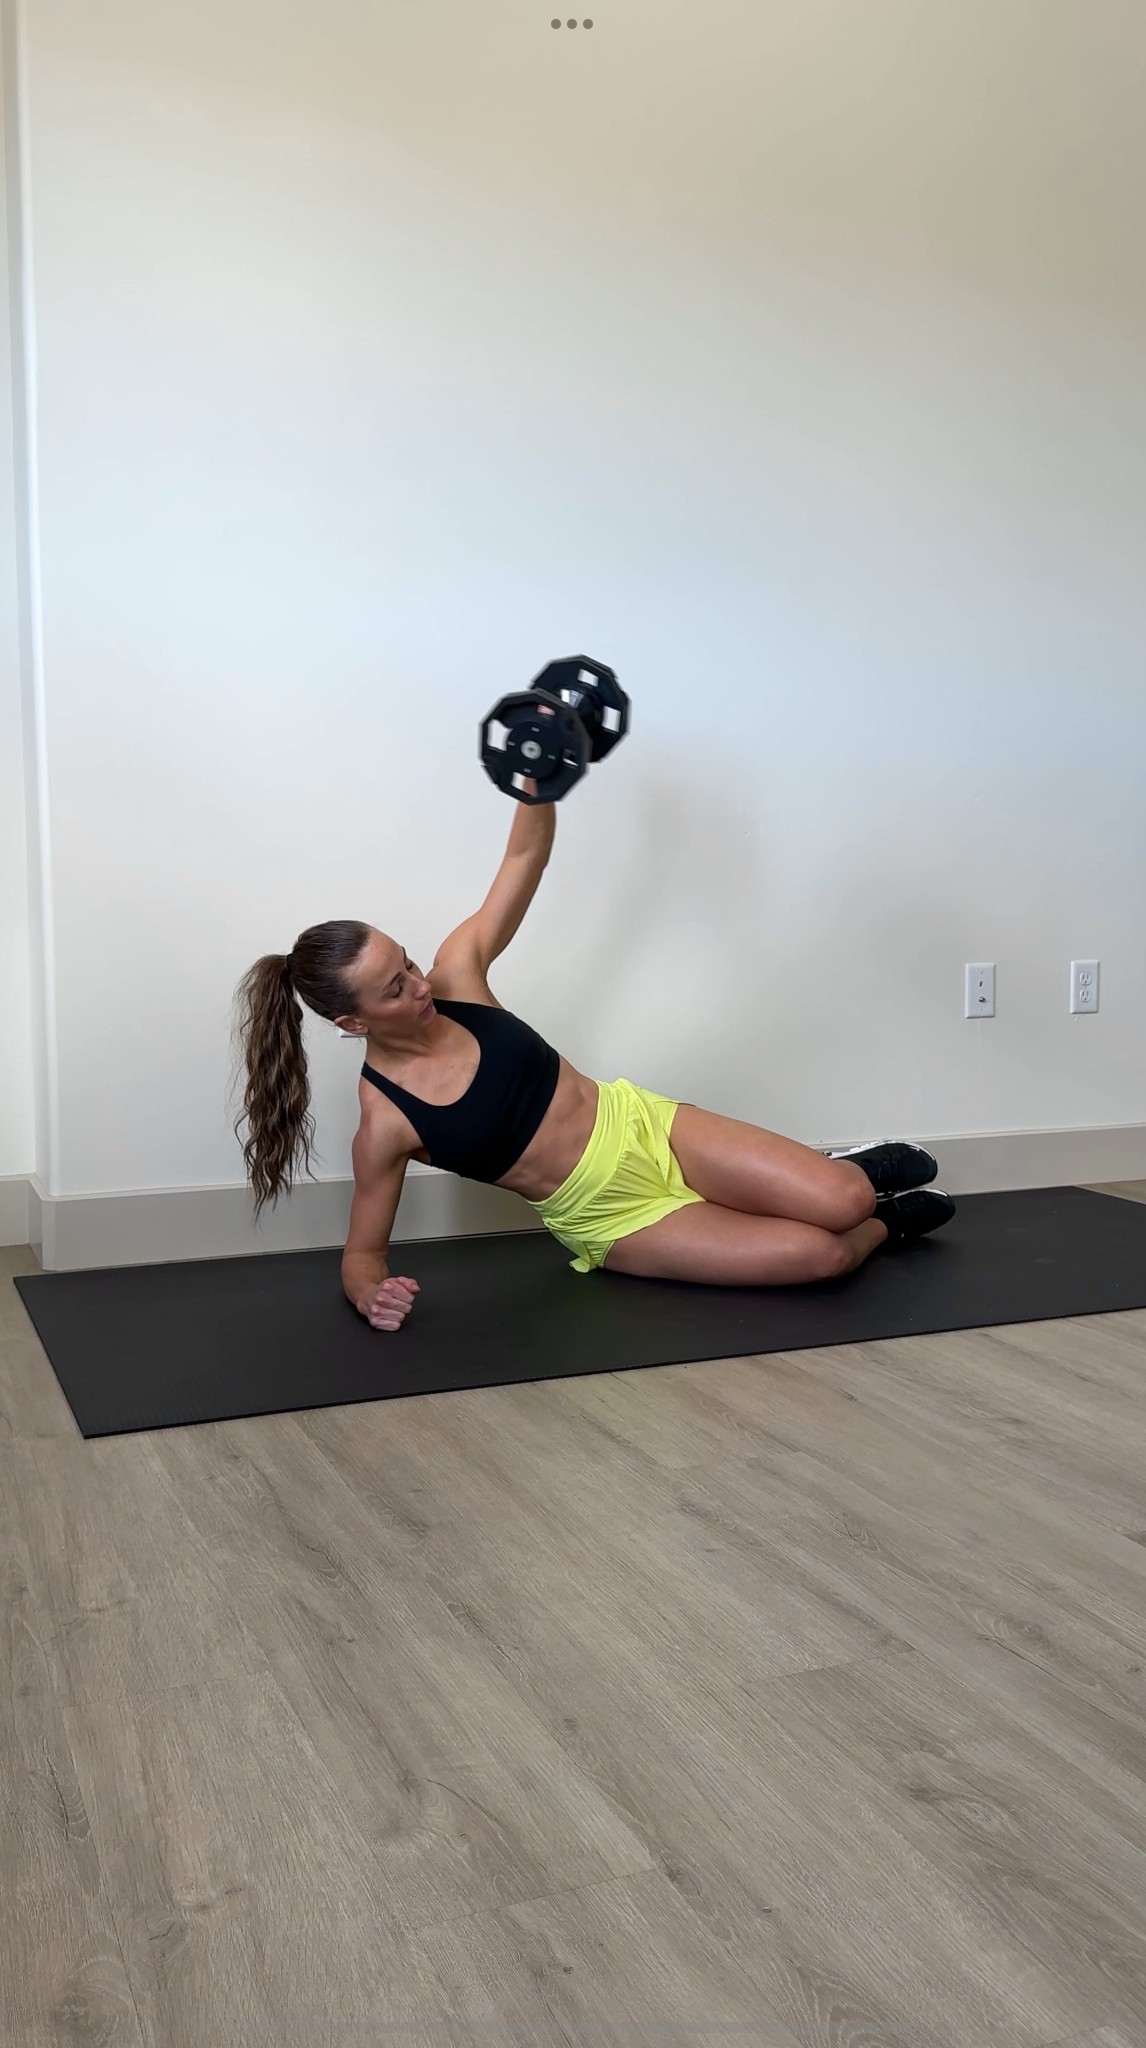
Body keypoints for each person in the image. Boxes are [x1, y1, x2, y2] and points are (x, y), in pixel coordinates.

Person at [234, 790, 954, 1333]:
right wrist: (370, 1292)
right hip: (612, 1216)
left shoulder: (460, 978)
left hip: (643, 1124)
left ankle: (857, 1176)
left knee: (841, 1202)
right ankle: (890, 1225)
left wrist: (537, 783)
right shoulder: (386, 1120)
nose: (421, 985)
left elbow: (523, 859)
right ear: (352, 1022)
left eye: (409, 962)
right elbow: (363, 1254)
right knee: (822, 1258)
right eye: (395, 988)